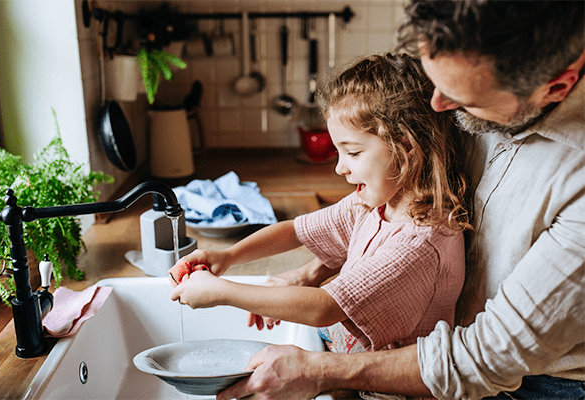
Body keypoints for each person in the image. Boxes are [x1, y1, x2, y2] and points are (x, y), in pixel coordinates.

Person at [209, 1, 585, 399]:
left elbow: (486, 358)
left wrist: (322, 371)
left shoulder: (576, 179)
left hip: (533, 383)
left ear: (555, 88)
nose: (438, 105)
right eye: (433, 78)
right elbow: (370, 216)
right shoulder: (480, 87)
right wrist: (314, 270)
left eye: (462, 99)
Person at [169, 53, 472, 357]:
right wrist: (227, 256)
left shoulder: (422, 241)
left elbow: (325, 308)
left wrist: (221, 292)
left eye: (352, 152)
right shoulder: (376, 205)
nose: (340, 168)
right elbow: (294, 231)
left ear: (405, 147)